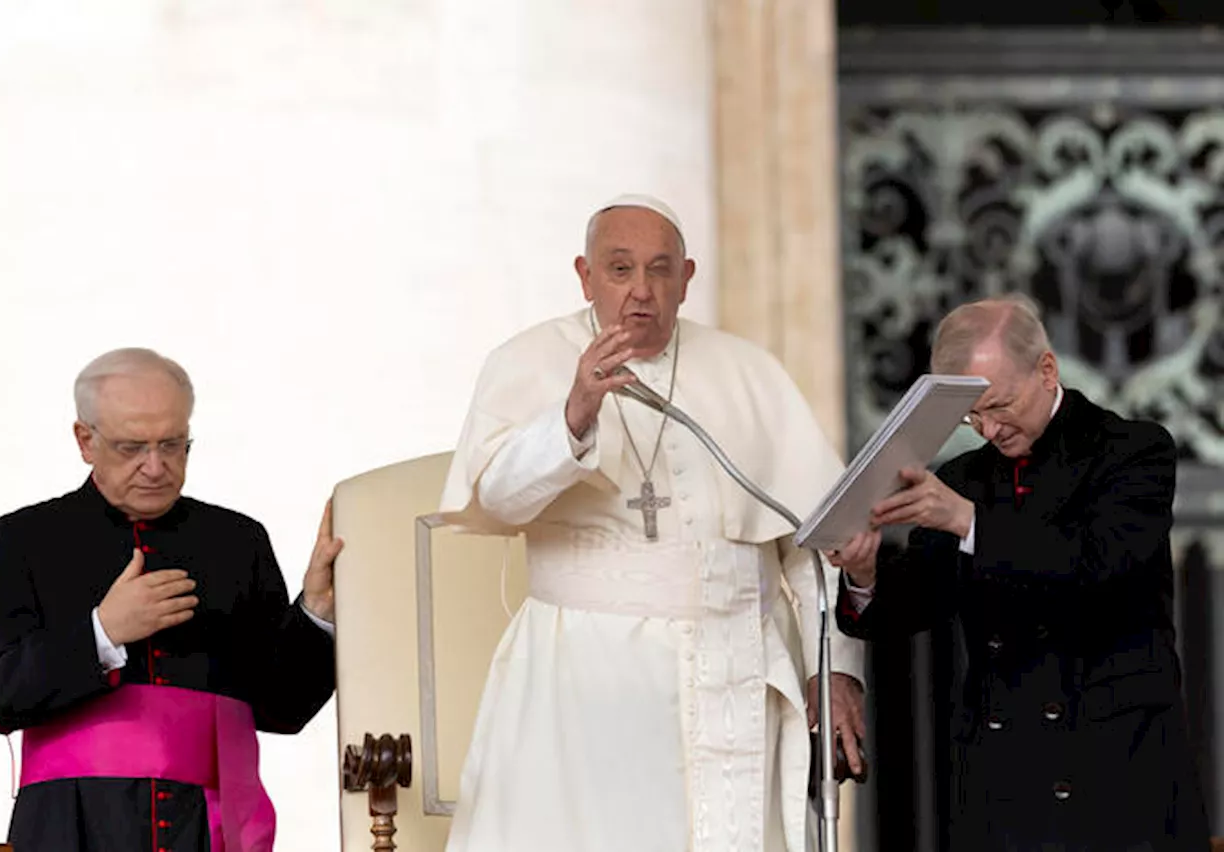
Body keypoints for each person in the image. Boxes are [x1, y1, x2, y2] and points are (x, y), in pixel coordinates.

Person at [438, 194, 866, 852]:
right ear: (584, 275)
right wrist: (574, 415)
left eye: (660, 270)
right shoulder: (526, 360)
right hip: (587, 685)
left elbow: (810, 544)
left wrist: (830, 669)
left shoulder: (748, 371)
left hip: (738, 671)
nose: (642, 290)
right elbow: (496, 500)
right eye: (619, 270)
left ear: (687, 279)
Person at [831, 295, 1210, 851]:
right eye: (970, 415)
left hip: (1119, 776)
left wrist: (967, 521)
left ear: (1047, 370)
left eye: (999, 405)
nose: (987, 428)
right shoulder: (963, 475)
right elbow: (916, 602)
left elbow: (1098, 565)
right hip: (1007, 785)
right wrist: (864, 576)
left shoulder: (1133, 450)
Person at [0, 347, 343, 852]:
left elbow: (282, 709)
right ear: (85, 440)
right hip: (71, 828)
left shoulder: (236, 541)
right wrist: (102, 632)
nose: (156, 466)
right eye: (131, 447)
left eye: (173, 444)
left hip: (208, 830)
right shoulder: (24, 539)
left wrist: (315, 612)